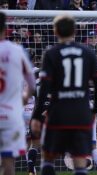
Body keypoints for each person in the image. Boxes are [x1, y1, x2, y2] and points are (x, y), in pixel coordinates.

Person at [30, 14, 97, 175]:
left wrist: (36, 116)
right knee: (79, 162)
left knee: (48, 158)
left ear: (55, 31)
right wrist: (95, 110)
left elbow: (44, 89)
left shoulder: (51, 53)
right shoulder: (88, 52)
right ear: (74, 31)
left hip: (58, 113)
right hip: (81, 113)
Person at [0, 12, 36, 175]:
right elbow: (32, 86)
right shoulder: (16, 51)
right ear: (5, 28)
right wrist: (22, 101)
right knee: (9, 163)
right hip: (11, 113)